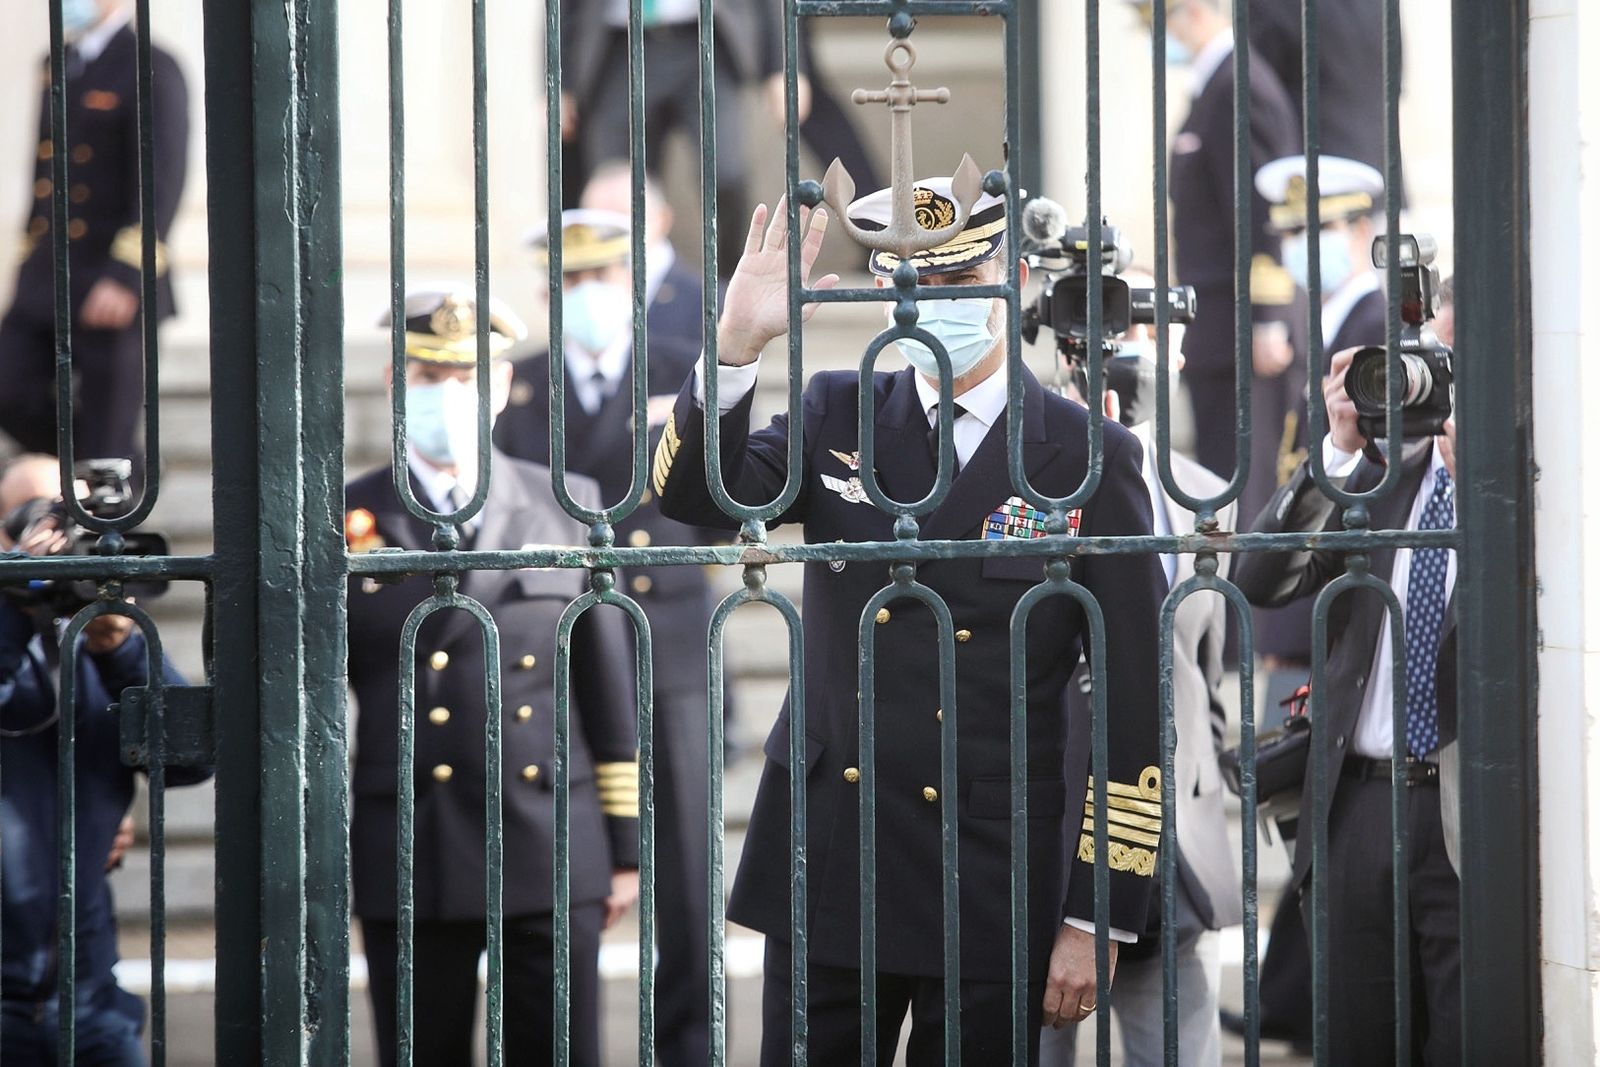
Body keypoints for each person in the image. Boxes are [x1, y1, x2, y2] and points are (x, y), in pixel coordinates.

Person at [651, 178, 1167, 1063]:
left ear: (1004, 276)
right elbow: (696, 495)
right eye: (911, 285)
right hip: (833, 854)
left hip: (996, 872)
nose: (930, 305)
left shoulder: (1089, 456)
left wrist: (1095, 911)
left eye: (956, 281)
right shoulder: (835, 412)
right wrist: (737, 342)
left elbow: (1132, 695)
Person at [347, 289, 641, 1067]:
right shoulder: (347, 516)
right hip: (412, 837)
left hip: (548, 834)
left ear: (503, 385)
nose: (449, 393)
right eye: (427, 374)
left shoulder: (565, 504)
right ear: (391, 381)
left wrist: (625, 844)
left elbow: (606, 686)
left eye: (467, 375)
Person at [494, 212, 724, 1067]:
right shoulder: (519, 388)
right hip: (562, 647)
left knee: (689, 873)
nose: (587, 296)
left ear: (632, 282)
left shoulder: (681, 371)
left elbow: (723, 487)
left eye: (601, 278)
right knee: (565, 859)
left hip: (666, 638)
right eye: (571, 282)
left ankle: (689, 1048)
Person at [1233, 347, 1460, 1064]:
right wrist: (1337, 451)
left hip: (1470, 817)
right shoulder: (1380, 483)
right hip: (1356, 807)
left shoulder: (1537, 489)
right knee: (1357, 1041)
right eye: (1433, 360)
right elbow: (1264, 577)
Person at [1039, 307, 1239, 1067]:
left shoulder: (1209, 495)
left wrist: (1198, 783)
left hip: (1173, 846)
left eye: (1150, 331)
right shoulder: (1033, 475)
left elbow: (1208, 670)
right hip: (1048, 828)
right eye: (1110, 335)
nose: (1131, 351)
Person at [0, 453, 206, 1065]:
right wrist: (15, 601)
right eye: (34, 518)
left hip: (88, 996)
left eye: (73, 520)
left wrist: (119, 647)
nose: (58, 540)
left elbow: (189, 760)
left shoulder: (98, 637)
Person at [0, 0, 189, 467]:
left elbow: (161, 182)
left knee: (111, 432)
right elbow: (44, 173)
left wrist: (128, 275)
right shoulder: (58, 63)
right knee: (9, 387)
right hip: (49, 277)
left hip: (112, 280)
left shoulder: (151, 64)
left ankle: (113, 517)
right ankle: (97, 475)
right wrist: (28, 264)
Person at [1133, 0, 1300, 483]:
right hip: (1217, 328)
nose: (1161, 36)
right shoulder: (1216, 85)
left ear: (1193, 12)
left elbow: (1262, 212)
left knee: (1243, 490)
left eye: (1160, 21)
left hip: (1241, 329)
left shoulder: (1237, 85)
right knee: (1220, 480)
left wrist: (1267, 317)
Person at [557, 0, 803, 279]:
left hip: (707, 39)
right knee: (614, 194)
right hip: (616, 48)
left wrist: (783, 62)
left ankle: (731, 287)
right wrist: (557, 78)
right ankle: (624, 298)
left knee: (727, 174)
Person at [1249, 0, 1400, 187]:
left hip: (1315, 183)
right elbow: (1395, 77)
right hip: (1383, 177)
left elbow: (1257, 91)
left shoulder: (1272, 5)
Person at [578, 163, 707, 352]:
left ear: (663, 219)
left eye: (623, 216)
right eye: (597, 221)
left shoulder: (706, 301)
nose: (609, 232)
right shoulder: (578, 298)